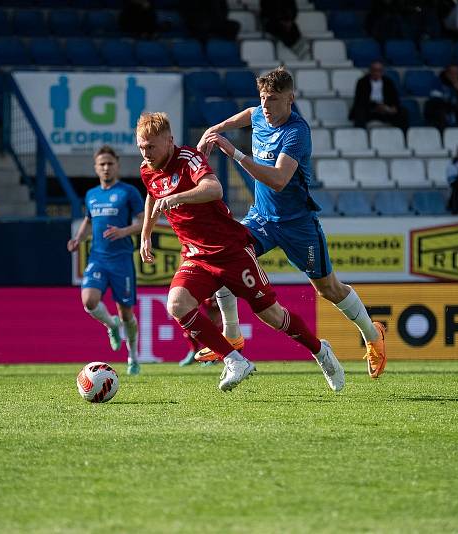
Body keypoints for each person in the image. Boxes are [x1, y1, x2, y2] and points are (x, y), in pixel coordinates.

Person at [197, 67, 388, 380]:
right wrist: (215, 128)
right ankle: (232, 335)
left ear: (290, 99)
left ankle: (372, 334)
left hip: (297, 225)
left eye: (273, 99)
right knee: (225, 260)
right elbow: (247, 114)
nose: (267, 107)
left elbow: (279, 179)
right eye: (263, 99)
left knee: (329, 289)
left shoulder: (297, 132)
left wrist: (234, 152)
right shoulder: (260, 114)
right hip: (261, 218)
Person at [137, 112, 345, 392]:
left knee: (271, 315)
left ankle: (321, 351)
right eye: (141, 146)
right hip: (196, 256)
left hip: (230, 250)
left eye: (151, 146)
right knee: (177, 304)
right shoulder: (147, 169)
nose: (146, 152)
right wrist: (145, 233)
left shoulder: (188, 159)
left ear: (169, 140)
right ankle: (234, 361)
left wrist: (177, 197)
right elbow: (152, 193)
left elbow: (214, 188)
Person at [67, 146, 144, 374]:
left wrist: (124, 231)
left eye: (110, 163)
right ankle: (111, 325)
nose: (106, 168)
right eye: (102, 164)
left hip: (121, 259)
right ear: (96, 168)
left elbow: (142, 222)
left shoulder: (128, 192)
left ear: (117, 165)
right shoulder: (92, 195)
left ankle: (133, 357)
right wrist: (78, 239)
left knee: (126, 313)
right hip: (98, 258)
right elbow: (88, 220)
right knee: (89, 301)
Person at [349, 61, 409, 131]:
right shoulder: (362, 82)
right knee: (359, 111)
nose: (377, 73)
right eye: (374, 70)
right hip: (369, 110)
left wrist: (390, 108)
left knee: (403, 112)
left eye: (379, 70)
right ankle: (360, 135)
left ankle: (403, 136)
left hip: (385, 110)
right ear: (370, 71)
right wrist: (376, 106)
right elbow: (360, 100)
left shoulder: (388, 82)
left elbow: (394, 98)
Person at [425, 63, 458, 130]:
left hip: (454, 110)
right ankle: (442, 138)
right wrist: (457, 106)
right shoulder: (437, 82)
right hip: (439, 111)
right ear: (447, 73)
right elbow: (436, 102)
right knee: (440, 113)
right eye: (451, 73)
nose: (454, 75)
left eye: (457, 73)